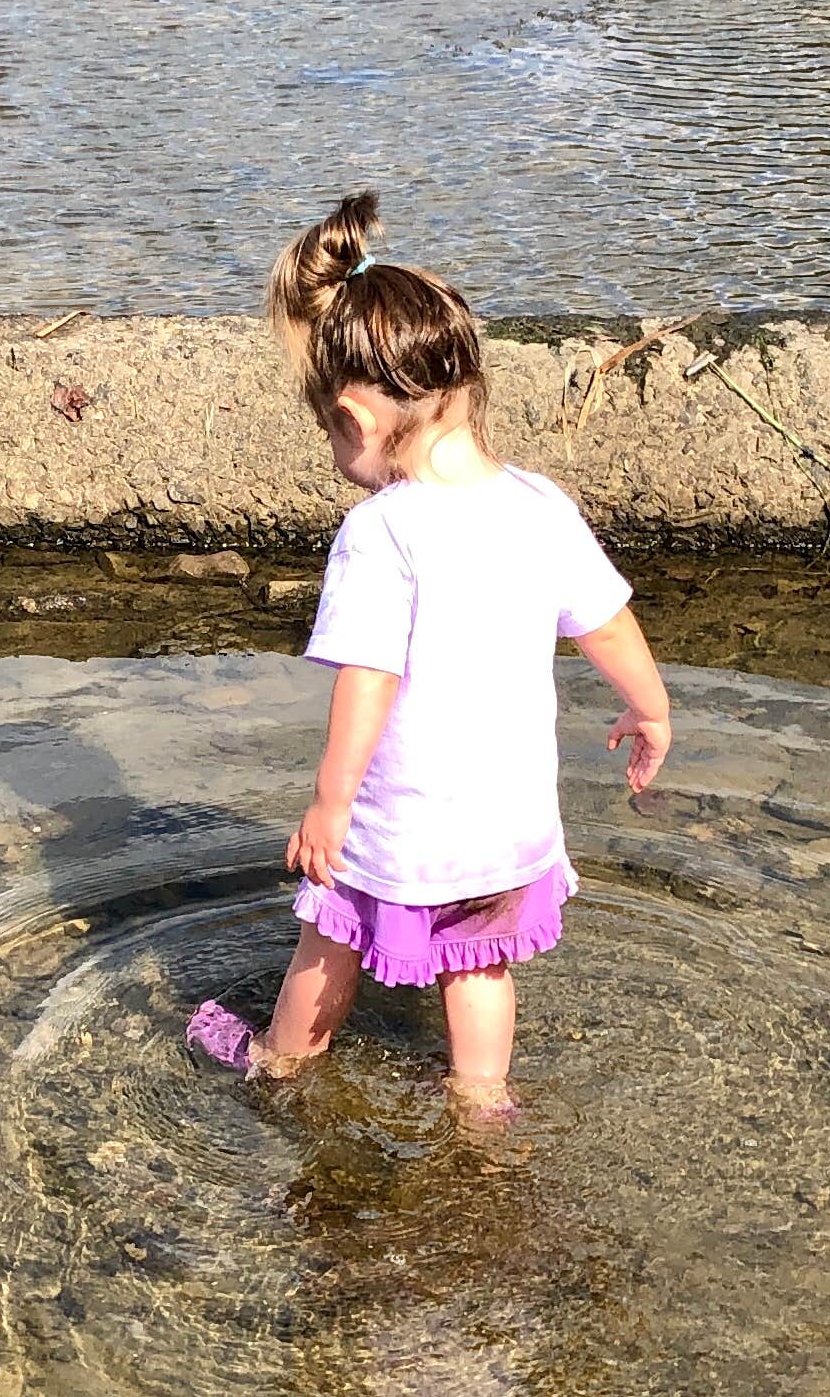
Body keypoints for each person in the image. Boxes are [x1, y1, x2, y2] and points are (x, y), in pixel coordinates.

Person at [188, 194, 672, 1116]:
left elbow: (370, 676)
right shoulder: (539, 503)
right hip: (510, 819)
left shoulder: (383, 529)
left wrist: (329, 805)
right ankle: (482, 1104)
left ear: (353, 417)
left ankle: (278, 1063)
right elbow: (607, 623)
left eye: (329, 435)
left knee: (329, 931)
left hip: (406, 822)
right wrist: (651, 711)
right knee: (481, 965)